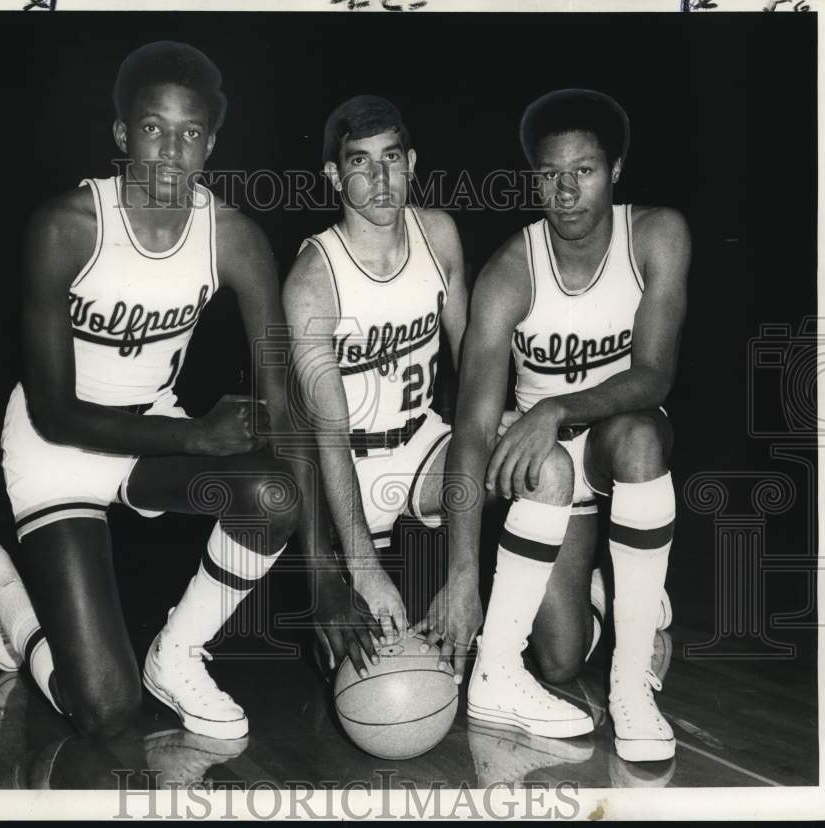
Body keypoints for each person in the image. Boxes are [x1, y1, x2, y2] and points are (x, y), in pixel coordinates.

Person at [0, 41, 300, 743]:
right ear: (123, 134)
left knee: (273, 495)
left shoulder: (234, 239)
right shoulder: (65, 228)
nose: (170, 153)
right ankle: (3, 591)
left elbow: (283, 399)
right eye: (153, 128)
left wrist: (332, 572)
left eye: (189, 134)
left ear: (210, 144)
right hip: (53, 446)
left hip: (149, 432)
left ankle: (177, 655)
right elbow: (55, 413)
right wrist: (194, 436)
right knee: (106, 713)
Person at [447, 89, 689, 760]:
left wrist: (555, 408)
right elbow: (470, 431)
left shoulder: (657, 234)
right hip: (548, 475)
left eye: (582, 170)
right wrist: (464, 572)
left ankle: (631, 681)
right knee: (556, 662)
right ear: (533, 178)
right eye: (550, 173)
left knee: (641, 434)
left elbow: (654, 376)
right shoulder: (507, 273)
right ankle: (618, 588)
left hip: (613, 440)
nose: (565, 189)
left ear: (615, 169)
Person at [282, 95, 477, 682]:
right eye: (359, 163)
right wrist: (362, 565)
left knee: (536, 464)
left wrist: (503, 426)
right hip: (348, 467)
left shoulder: (439, 235)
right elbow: (329, 433)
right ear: (333, 175)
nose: (379, 178)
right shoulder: (313, 279)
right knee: (360, 674)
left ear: (412, 161)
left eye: (391, 158)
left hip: (423, 444)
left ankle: (574, 583)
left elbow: (472, 364)